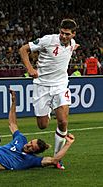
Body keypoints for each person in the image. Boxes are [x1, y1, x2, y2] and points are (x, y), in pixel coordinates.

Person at [19, 19, 78, 169]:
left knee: (63, 121)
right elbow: (23, 49)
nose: (64, 36)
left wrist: (74, 46)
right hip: (42, 86)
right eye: (62, 33)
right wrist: (30, 69)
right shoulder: (47, 40)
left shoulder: (72, 43)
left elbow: (69, 49)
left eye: (67, 34)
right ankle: (49, 111)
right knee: (42, 125)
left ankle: (57, 158)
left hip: (60, 85)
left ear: (73, 34)